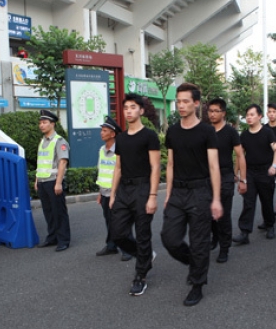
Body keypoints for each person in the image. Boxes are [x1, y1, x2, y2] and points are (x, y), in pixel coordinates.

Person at [161, 83, 222, 307]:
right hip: (177, 191)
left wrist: (215, 199)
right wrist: (167, 194)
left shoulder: (207, 131)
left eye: (186, 101)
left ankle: (197, 284)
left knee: (199, 242)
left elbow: (214, 166)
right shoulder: (173, 131)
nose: (181, 105)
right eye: (178, 101)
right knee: (169, 238)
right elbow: (170, 164)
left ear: (196, 103)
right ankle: (195, 263)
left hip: (200, 192)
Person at [110, 94, 161, 295]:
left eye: (133, 107)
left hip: (142, 188)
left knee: (142, 234)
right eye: (126, 108)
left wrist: (153, 195)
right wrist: (113, 194)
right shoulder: (120, 138)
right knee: (118, 233)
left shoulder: (149, 136)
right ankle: (146, 255)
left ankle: (140, 276)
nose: (129, 111)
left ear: (141, 110)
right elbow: (118, 167)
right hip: (124, 190)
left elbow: (155, 167)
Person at [207, 97, 247, 263]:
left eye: (216, 111)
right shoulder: (205, 131)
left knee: (223, 215)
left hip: (225, 176)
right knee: (208, 214)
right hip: (207, 176)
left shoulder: (230, 132)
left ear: (223, 113)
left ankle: (224, 247)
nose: (213, 114)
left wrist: (243, 179)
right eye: (210, 111)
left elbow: (239, 155)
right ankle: (215, 237)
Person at [233, 104, 276, 243]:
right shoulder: (244, 135)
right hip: (250, 172)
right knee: (248, 202)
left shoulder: (267, 132)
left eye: (252, 114)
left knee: (266, 201)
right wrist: (237, 173)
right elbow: (240, 155)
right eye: (247, 115)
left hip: (265, 171)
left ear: (260, 116)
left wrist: (274, 166)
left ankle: (270, 225)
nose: (249, 117)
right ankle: (244, 232)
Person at [95, 116, 132, 262]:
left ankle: (128, 248)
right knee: (109, 220)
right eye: (102, 130)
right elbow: (101, 171)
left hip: (117, 193)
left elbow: (122, 171)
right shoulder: (101, 150)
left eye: (105, 131)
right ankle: (111, 246)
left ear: (113, 134)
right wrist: (99, 193)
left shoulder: (121, 150)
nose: (101, 133)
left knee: (121, 221)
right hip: (105, 192)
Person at [35, 110, 71, 252]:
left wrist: (58, 183)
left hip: (53, 181)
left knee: (59, 212)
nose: (41, 125)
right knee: (48, 212)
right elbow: (41, 162)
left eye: (44, 123)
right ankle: (52, 237)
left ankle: (63, 240)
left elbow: (62, 162)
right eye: (40, 123)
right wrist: (37, 179)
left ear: (52, 124)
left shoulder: (59, 141)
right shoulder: (42, 141)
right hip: (43, 182)